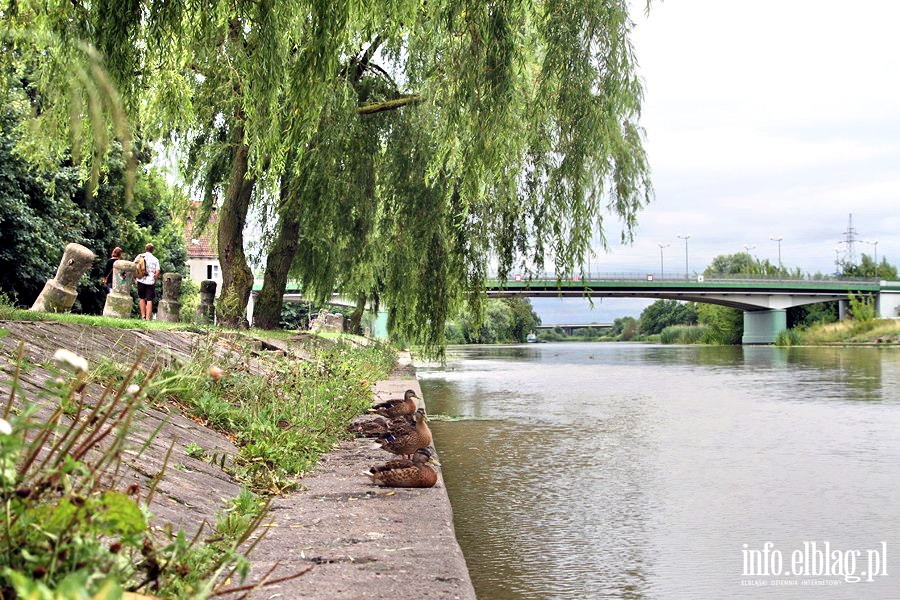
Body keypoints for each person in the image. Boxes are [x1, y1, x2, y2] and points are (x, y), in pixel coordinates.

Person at [133, 243, 161, 320]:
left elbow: (134, 266)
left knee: (141, 298)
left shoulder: (140, 256)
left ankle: (143, 316)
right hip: (150, 281)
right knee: (149, 299)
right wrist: (155, 279)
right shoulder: (155, 259)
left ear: (145, 249)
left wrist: (134, 277)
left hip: (140, 279)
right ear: (153, 250)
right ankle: (148, 318)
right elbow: (158, 271)